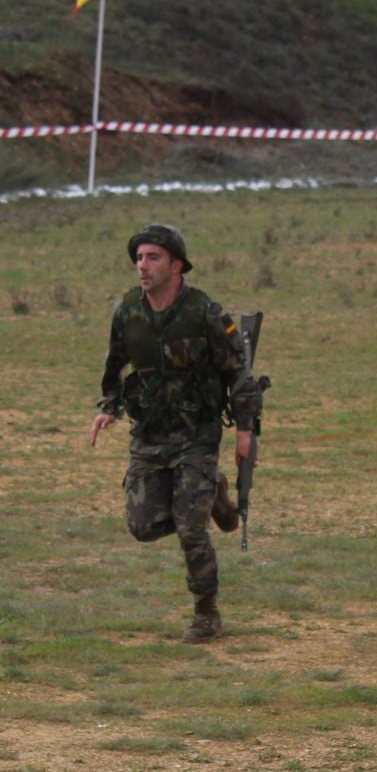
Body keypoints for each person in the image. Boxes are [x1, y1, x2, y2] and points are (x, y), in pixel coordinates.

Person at [89, 224, 262, 643]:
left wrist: (244, 432)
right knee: (143, 526)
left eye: (153, 258)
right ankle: (211, 496)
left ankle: (207, 614)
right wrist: (109, 407)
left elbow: (238, 374)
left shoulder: (205, 312)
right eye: (139, 258)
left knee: (190, 528)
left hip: (196, 433)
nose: (142, 266)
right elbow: (116, 364)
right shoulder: (128, 311)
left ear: (177, 265)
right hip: (148, 434)